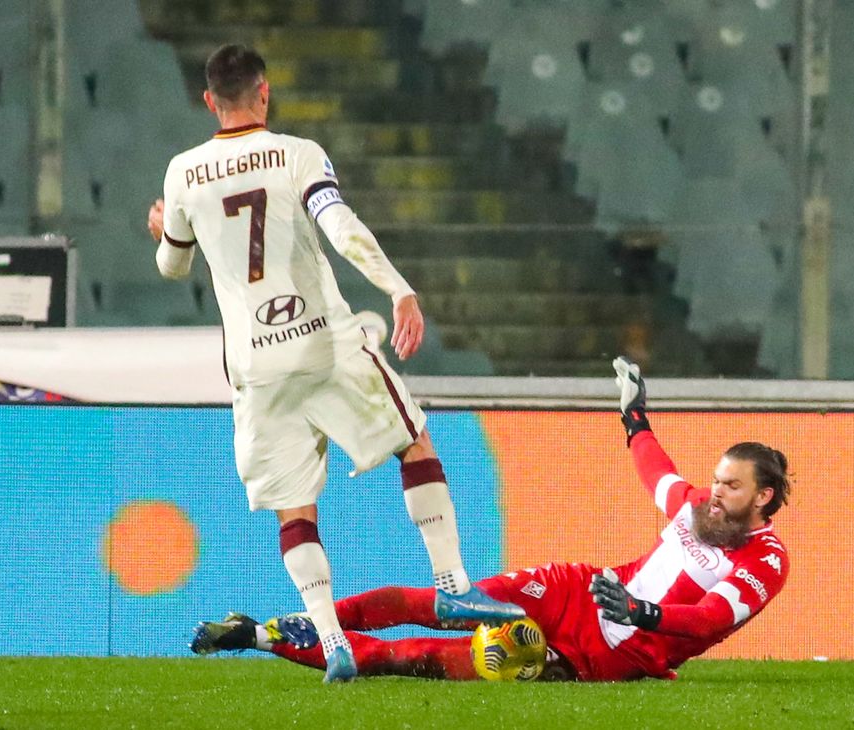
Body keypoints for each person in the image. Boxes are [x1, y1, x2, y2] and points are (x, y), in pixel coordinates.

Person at [146, 44, 523, 682]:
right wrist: (398, 286)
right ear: (263, 93)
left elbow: (172, 266)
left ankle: (333, 643)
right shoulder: (298, 154)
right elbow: (340, 224)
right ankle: (453, 583)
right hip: (324, 340)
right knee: (413, 440)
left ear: (209, 100)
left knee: (296, 506)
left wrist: (163, 230)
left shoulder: (183, 171)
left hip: (254, 365)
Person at [190, 357, 791, 681]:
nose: (714, 492)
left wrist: (639, 612)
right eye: (715, 479)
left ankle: (263, 638)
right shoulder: (698, 508)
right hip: (575, 591)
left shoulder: (766, 559)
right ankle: (292, 626)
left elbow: (711, 616)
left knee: (411, 660)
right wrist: (634, 416)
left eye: (731, 485)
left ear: (763, 498)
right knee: (437, 602)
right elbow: (654, 469)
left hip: (611, 656)